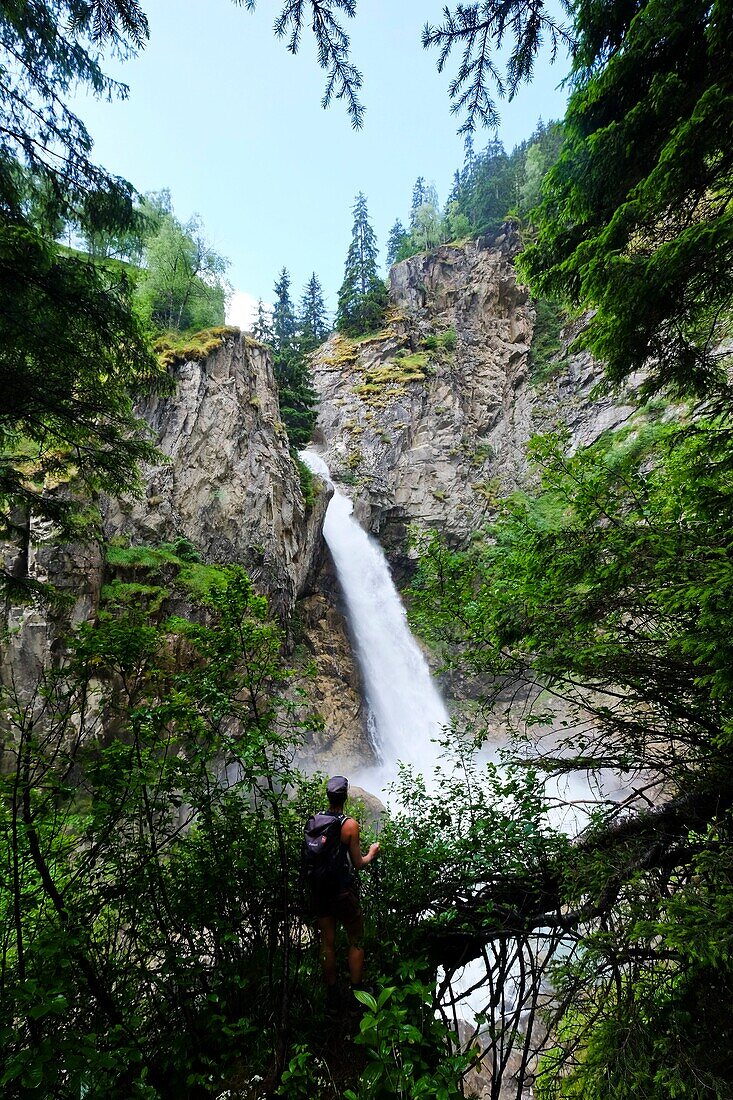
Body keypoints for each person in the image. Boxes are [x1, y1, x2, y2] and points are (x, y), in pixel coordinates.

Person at [310, 775, 379, 1006]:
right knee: (356, 938)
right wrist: (371, 852)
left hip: (320, 891)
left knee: (327, 942)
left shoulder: (314, 821)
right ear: (346, 796)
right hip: (341, 891)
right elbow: (358, 863)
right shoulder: (349, 825)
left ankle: (331, 994)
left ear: (328, 796)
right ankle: (357, 993)